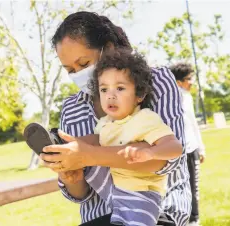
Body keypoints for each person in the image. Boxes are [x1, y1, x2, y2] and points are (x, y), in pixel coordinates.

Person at [40, 11, 191, 226]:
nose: (78, 74)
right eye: (70, 70)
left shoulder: (156, 81)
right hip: (100, 216)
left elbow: (168, 159)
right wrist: (69, 173)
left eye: (83, 64)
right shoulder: (72, 108)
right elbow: (81, 194)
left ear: (109, 48)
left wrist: (89, 156)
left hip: (157, 210)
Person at [79, 48, 183, 225]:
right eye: (104, 90)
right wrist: (74, 147)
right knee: (85, 156)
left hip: (142, 195)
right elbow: (95, 142)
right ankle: (60, 144)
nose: (111, 95)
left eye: (120, 88)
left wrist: (152, 153)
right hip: (115, 190)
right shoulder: (104, 123)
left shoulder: (145, 118)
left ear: (139, 95)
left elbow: (175, 148)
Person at [170, 63, 206, 226]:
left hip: (191, 149)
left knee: (193, 188)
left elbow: (193, 124)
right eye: (188, 79)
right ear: (178, 82)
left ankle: (194, 220)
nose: (191, 82)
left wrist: (201, 148)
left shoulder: (188, 97)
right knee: (177, 190)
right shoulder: (169, 98)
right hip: (175, 153)